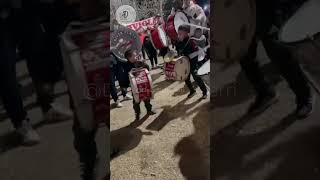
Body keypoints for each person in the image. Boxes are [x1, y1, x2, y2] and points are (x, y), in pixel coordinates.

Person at [239, 0, 314, 118]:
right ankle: (266, 93)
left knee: (280, 56)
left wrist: (275, 15)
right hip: (244, 14)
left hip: (266, 11)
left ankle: (304, 96)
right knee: (245, 57)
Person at [176, 25, 208, 99]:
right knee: (186, 79)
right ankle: (192, 91)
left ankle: (205, 92)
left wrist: (192, 65)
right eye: (178, 33)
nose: (179, 35)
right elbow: (179, 52)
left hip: (192, 64)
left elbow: (196, 54)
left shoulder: (192, 42)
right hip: (184, 64)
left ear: (186, 33)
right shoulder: (179, 42)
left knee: (197, 78)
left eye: (180, 33)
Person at [124, 49, 157, 121]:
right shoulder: (126, 65)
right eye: (135, 55)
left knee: (147, 98)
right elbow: (126, 75)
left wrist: (143, 63)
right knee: (136, 101)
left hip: (144, 84)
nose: (136, 56)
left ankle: (149, 110)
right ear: (129, 58)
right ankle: (137, 113)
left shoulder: (139, 62)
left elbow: (147, 68)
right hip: (135, 87)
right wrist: (131, 71)